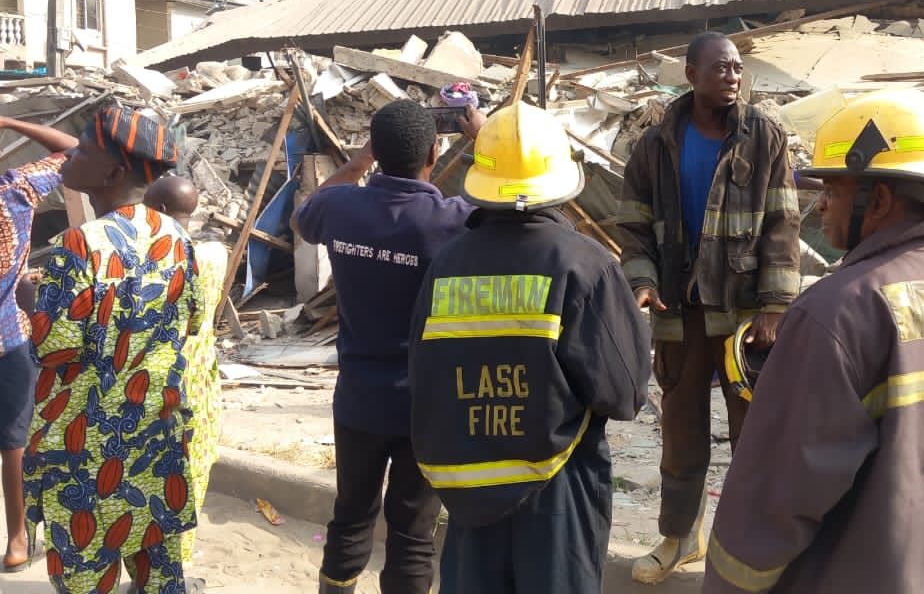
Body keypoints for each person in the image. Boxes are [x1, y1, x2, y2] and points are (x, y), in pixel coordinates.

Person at [702, 90, 924, 594]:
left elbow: (777, 497)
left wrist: (728, 584)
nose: (822, 203)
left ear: (881, 201)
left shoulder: (836, 311)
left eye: (834, 188)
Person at [407, 100, 651, 594]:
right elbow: (624, 392)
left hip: (468, 489)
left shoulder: (447, 266)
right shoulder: (585, 264)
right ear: (559, 179)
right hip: (557, 489)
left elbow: (423, 374)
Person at [617, 31, 801, 584]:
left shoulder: (764, 137)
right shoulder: (655, 146)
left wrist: (774, 305)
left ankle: (749, 547)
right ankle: (679, 538)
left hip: (745, 318)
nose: (733, 76)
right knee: (681, 428)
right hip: (681, 314)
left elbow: (782, 224)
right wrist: (642, 282)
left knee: (753, 432)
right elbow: (632, 226)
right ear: (690, 73)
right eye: (720, 68)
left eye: (739, 68)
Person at [294, 99, 483, 594]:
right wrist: (482, 141)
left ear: (376, 149)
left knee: (350, 518)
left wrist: (356, 164)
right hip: (426, 406)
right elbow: (520, 210)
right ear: (435, 151)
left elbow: (304, 218)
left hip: (358, 400)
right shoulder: (451, 220)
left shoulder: (340, 207)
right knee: (413, 533)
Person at [25, 100, 204, 594]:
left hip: (87, 445)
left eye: (83, 147)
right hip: (156, 436)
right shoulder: (176, 237)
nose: (71, 155)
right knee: (159, 573)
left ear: (113, 171)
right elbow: (188, 319)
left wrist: (30, 301)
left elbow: (55, 347)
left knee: (86, 574)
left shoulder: (79, 245)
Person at [0, 111, 78, 571]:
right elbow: (73, 149)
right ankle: (18, 537)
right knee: (13, 445)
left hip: (5, 340)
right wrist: (8, 120)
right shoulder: (16, 190)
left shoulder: (13, 191)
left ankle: (21, 535)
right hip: (5, 340)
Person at [144, 174, 229, 572]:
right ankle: (175, 566)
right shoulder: (213, 255)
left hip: (160, 390)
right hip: (202, 389)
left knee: (150, 483)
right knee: (190, 479)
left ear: (157, 212)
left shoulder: (151, 264)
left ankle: (153, 568)